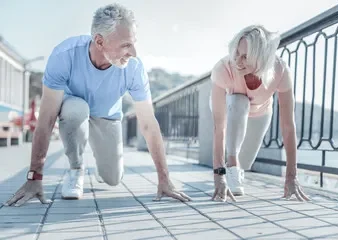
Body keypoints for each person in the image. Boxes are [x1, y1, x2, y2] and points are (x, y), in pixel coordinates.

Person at [5, 3, 191, 207]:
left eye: (134, 43)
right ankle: (76, 170)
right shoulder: (64, 56)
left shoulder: (134, 69)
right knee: (76, 110)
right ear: (99, 41)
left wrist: (164, 179)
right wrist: (34, 177)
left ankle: (101, 159)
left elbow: (148, 123)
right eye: (126, 45)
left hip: (107, 116)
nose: (133, 52)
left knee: (113, 178)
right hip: (75, 110)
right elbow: (47, 119)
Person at [210, 25, 310, 202]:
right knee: (237, 100)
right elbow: (219, 127)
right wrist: (219, 175)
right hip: (232, 107)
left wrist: (291, 176)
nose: (237, 61)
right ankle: (231, 165)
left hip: (261, 111)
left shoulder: (280, 70)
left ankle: (237, 167)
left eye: (245, 57)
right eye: (236, 54)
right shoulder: (223, 69)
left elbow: (288, 126)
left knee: (246, 162)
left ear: (261, 58)